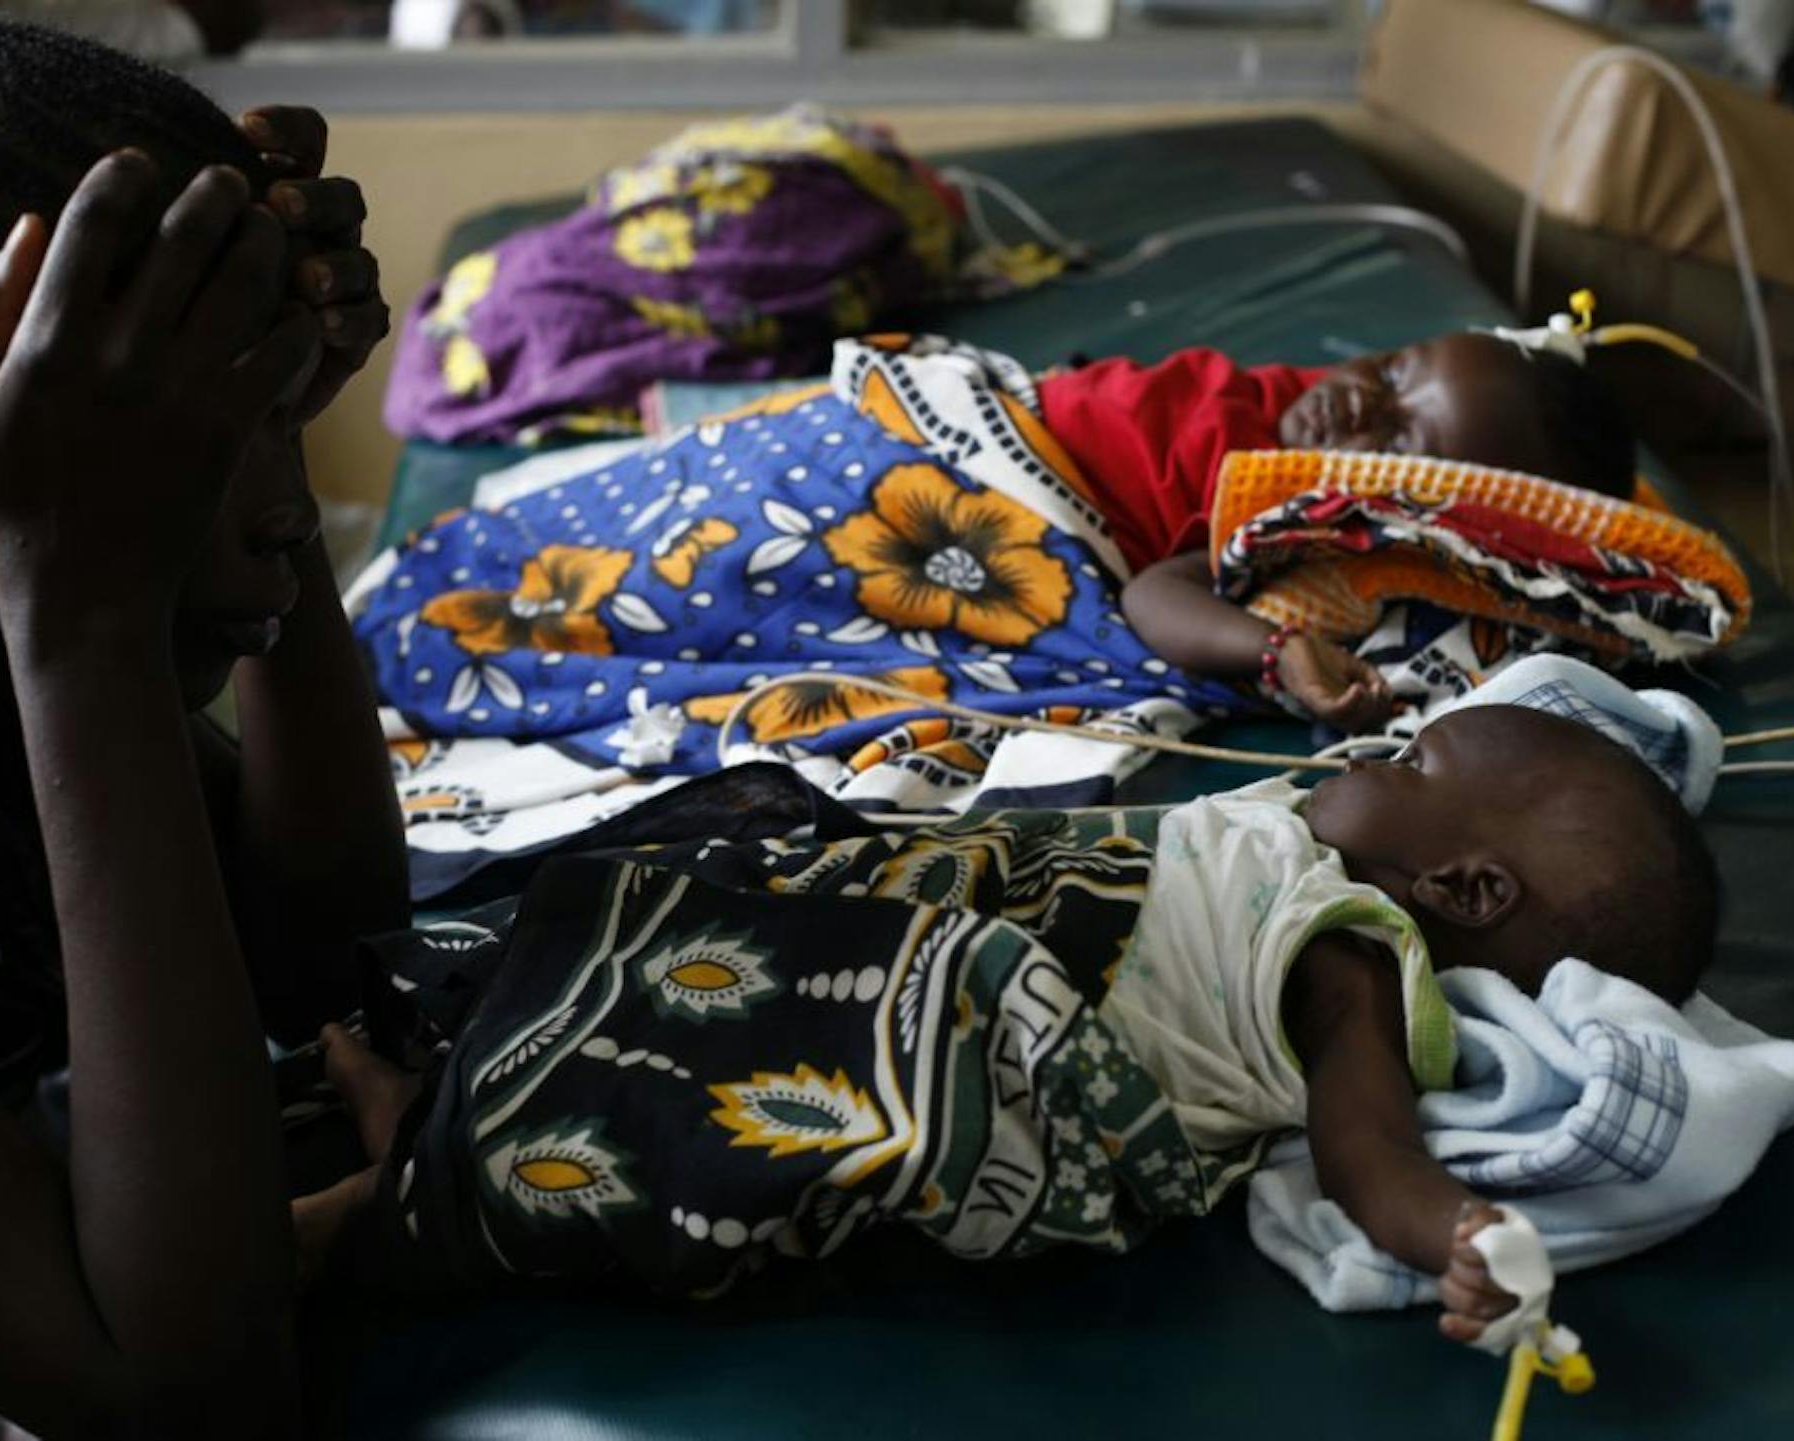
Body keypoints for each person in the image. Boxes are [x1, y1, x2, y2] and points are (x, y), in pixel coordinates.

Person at [0, 4, 401, 1435]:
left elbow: (318, 933)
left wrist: (269, 393)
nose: (291, 513)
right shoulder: (4, 575)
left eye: (295, 416)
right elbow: (194, 1395)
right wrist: (85, 615)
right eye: (216, 440)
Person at [295, 701, 1720, 1348]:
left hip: (998, 1029)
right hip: (995, 910)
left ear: (1461, 886)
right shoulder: (1312, 859)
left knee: (784, 1039)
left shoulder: (1344, 947)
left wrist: (1456, 1236)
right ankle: (469, 1071)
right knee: (730, 889)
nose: (1365, 751)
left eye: (1409, 759)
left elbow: (1369, 1156)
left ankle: (408, 1187)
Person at [1040, 332, 1642, 733]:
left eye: (1399, 441)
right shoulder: (1311, 396)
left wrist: (1278, 648)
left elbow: (1153, 594)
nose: (1359, 404)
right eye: (1391, 371)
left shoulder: (1304, 514)